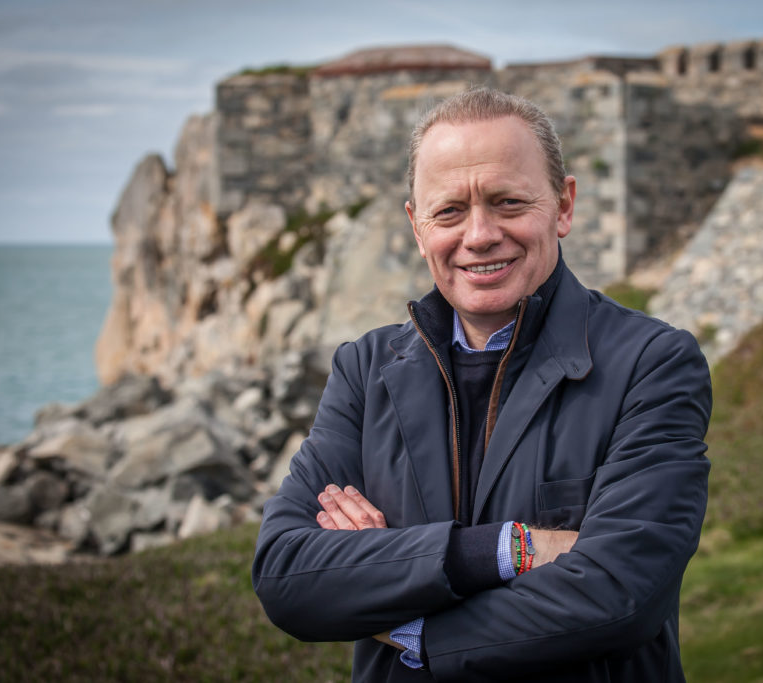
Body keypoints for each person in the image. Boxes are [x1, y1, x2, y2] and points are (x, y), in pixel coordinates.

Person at [253, 87, 712, 682]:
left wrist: (405, 615)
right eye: (449, 211)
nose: (479, 235)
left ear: (564, 206)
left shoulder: (652, 364)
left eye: (508, 202)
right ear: (417, 227)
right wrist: (512, 549)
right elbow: (286, 573)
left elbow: (621, 594)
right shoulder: (363, 370)